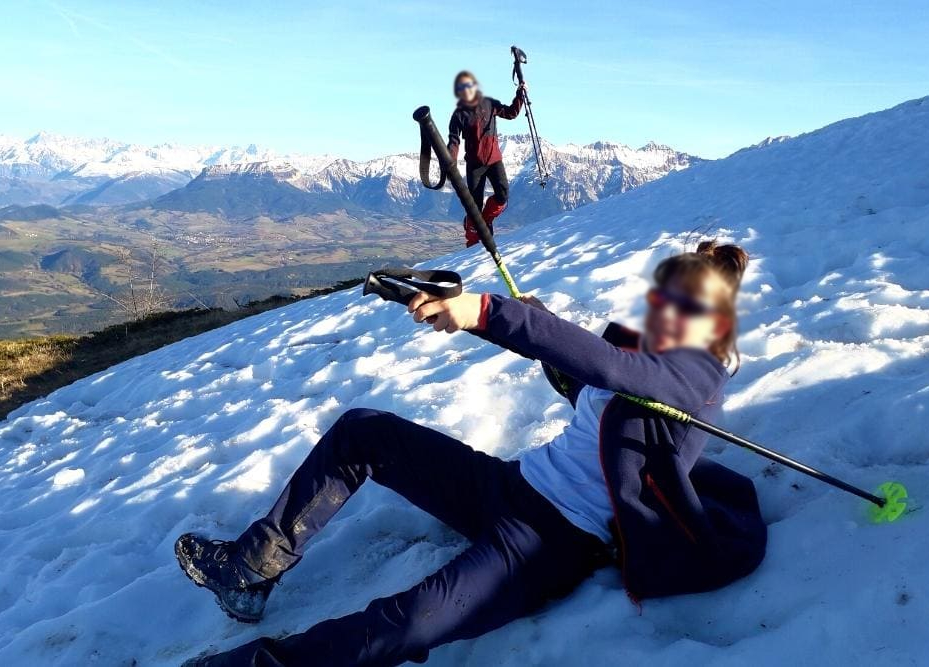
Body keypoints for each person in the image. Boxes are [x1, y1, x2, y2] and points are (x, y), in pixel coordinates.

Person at [176, 241, 767, 667]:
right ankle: (249, 570)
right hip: (510, 487)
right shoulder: (656, 357)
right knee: (364, 431)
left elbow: (608, 366)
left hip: (552, 542)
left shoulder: (697, 375)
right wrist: (527, 320)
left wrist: (486, 312)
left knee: (407, 620)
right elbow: (589, 374)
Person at [447, 70, 525, 247]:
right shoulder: (459, 114)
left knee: (503, 194)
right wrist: (450, 162)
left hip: (494, 160)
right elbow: (454, 140)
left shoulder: (490, 104)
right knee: (474, 205)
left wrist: (520, 94)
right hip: (474, 164)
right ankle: (473, 243)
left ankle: (486, 220)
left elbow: (511, 113)